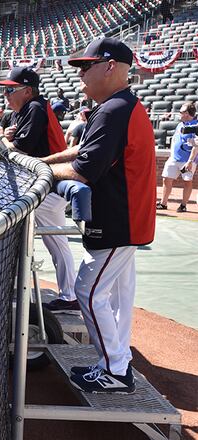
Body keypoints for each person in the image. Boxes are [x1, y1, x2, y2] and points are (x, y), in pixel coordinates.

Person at [43, 37, 156, 394]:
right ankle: (118, 361)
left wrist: (42, 174)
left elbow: (82, 170)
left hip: (120, 219)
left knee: (88, 291)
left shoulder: (114, 109)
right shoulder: (118, 105)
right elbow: (83, 150)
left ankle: (115, 372)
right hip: (129, 216)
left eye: (86, 66)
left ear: (110, 66)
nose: (81, 76)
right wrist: (45, 162)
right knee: (120, 295)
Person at [0, 66, 77, 313]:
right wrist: (6, 134)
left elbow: (17, 150)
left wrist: (5, 139)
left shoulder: (35, 108)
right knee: (55, 241)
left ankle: (70, 294)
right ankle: (69, 293)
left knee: (49, 239)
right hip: (46, 185)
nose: (6, 96)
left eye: (11, 90)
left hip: (49, 186)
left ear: (28, 91)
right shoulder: (27, 110)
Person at [157, 101, 197, 212]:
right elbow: (175, 140)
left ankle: (183, 205)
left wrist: (190, 161)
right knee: (166, 179)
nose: (179, 114)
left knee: (187, 181)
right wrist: (171, 155)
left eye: (181, 112)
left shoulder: (196, 126)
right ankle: (163, 203)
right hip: (174, 159)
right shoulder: (180, 124)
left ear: (187, 114)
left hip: (188, 161)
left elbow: (196, 146)